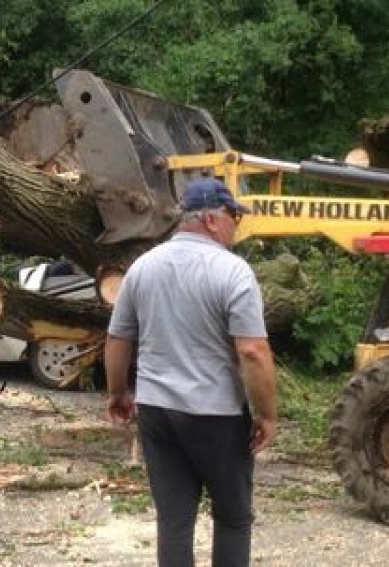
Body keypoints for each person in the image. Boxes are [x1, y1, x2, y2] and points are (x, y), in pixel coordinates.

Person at [104, 177, 277, 567]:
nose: (238, 225)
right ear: (214, 219)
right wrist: (266, 415)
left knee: (175, 519)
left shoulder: (142, 268)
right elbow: (252, 351)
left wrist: (118, 393)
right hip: (215, 414)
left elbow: (117, 339)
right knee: (233, 517)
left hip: (157, 411)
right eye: (235, 216)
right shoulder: (233, 272)